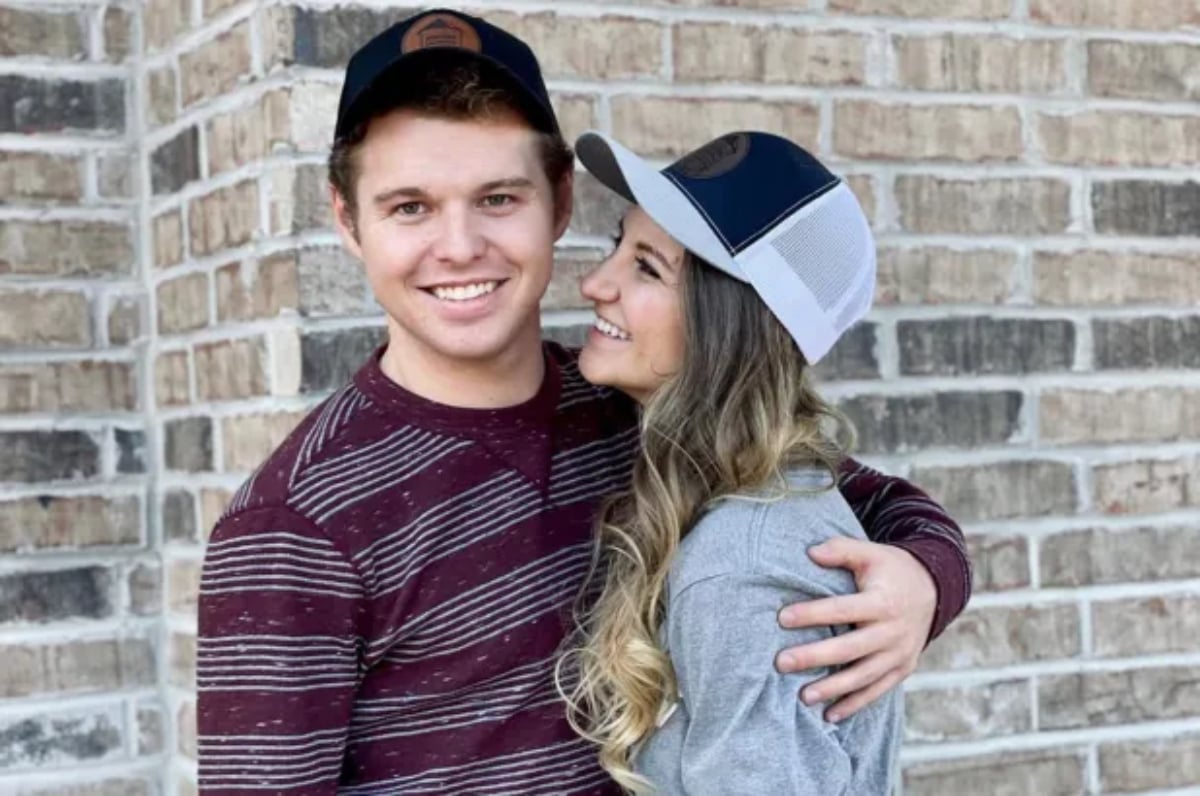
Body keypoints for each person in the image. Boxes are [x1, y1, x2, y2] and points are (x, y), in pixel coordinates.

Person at [196, 9, 970, 794]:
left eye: (498, 198)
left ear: (560, 200)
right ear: (347, 220)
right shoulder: (292, 524)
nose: (459, 247)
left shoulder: (636, 407)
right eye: (410, 207)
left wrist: (926, 579)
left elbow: (860, 498)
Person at [558, 129, 902, 793]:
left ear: (727, 328)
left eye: (647, 268)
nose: (594, 283)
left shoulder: (742, 568)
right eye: (617, 247)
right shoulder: (764, 496)